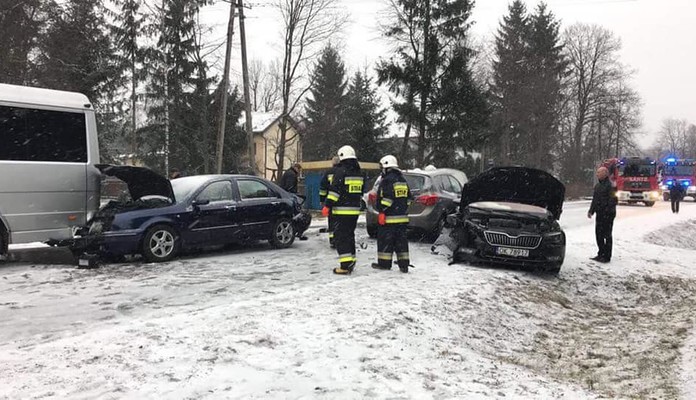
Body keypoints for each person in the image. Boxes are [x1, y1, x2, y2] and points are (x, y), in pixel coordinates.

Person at [323, 145, 363, 275]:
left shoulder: (340, 172)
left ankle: (345, 266)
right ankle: (352, 260)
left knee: (340, 237)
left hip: (341, 211)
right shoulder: (359, 172)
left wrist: (327, 205)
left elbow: (335, 191)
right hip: (354, 211)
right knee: (349, 235)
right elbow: (361, 192)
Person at [372, 155, 412, 273]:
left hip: (389, 219)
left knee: (385, 241)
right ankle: (404, 265)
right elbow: (409, 199)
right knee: (401, 243)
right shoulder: (402, 179)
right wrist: (402, 209)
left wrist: (382, 211)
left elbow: (387, 199)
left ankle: (384, 264)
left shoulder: (387, 180)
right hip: (402, 219)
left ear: (386, 167)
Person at [588, 166, 617, 263]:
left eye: (599, 172)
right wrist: (591, 211)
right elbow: (595, 200)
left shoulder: (611, 185)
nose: (597, 174)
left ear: (605, 174)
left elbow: (613, 200)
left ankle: (607, 256)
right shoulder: (597, 186)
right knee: (598, 234)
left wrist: (607, 210)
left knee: (607, 235)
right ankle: (600, 253)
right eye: (597, 172)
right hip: (599, 214)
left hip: (608, 214)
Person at [319, 156, 340, 248]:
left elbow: (323, 187)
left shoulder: (328, 172)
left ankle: (333, 240)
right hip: (342, 201)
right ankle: (341, 239)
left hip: (330, 201)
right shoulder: (344, 171)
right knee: (341, 221)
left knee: (332, 220)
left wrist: (322, 200)